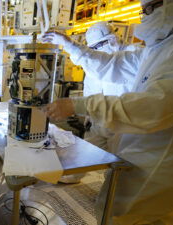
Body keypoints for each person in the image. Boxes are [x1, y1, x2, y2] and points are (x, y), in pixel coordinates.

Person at [43, 0, 173, 224]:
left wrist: (81, 105)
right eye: (143, 10)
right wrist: (69, 45)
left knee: (122, 214)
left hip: (157, 164)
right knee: (155, 217)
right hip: (127, 138)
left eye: (150, 9)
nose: (145, 16)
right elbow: (112, 65)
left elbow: (154, 106)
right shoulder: (159, 48)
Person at [59, 22, 141, 184]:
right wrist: (88, 115)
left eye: (99, 46)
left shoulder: (134, 55)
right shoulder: (96, 63)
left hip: (124, 123)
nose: (97, 51)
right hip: (101, 119)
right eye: (93, 48)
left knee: (119, 164)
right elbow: (92, 88)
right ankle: (73, 175)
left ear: (111, 40)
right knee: (88, 150)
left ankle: (114, 192)